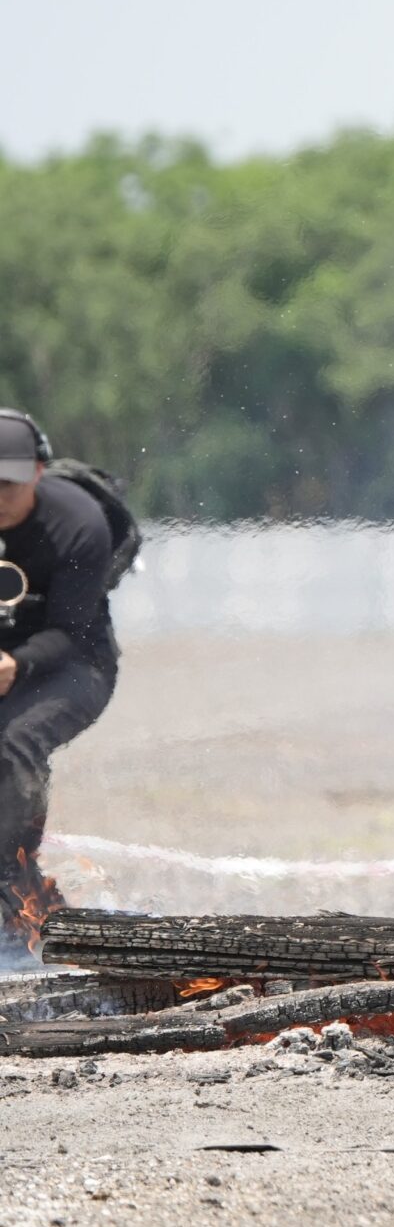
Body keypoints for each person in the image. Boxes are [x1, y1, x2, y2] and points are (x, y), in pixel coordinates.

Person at [0, 410, 120, 969]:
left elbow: (72, 634)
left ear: (39, 473)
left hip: (74, 667)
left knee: (14, 743)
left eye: (9, 484)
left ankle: (20, 898)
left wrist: (15, 664)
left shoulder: (80, 524)